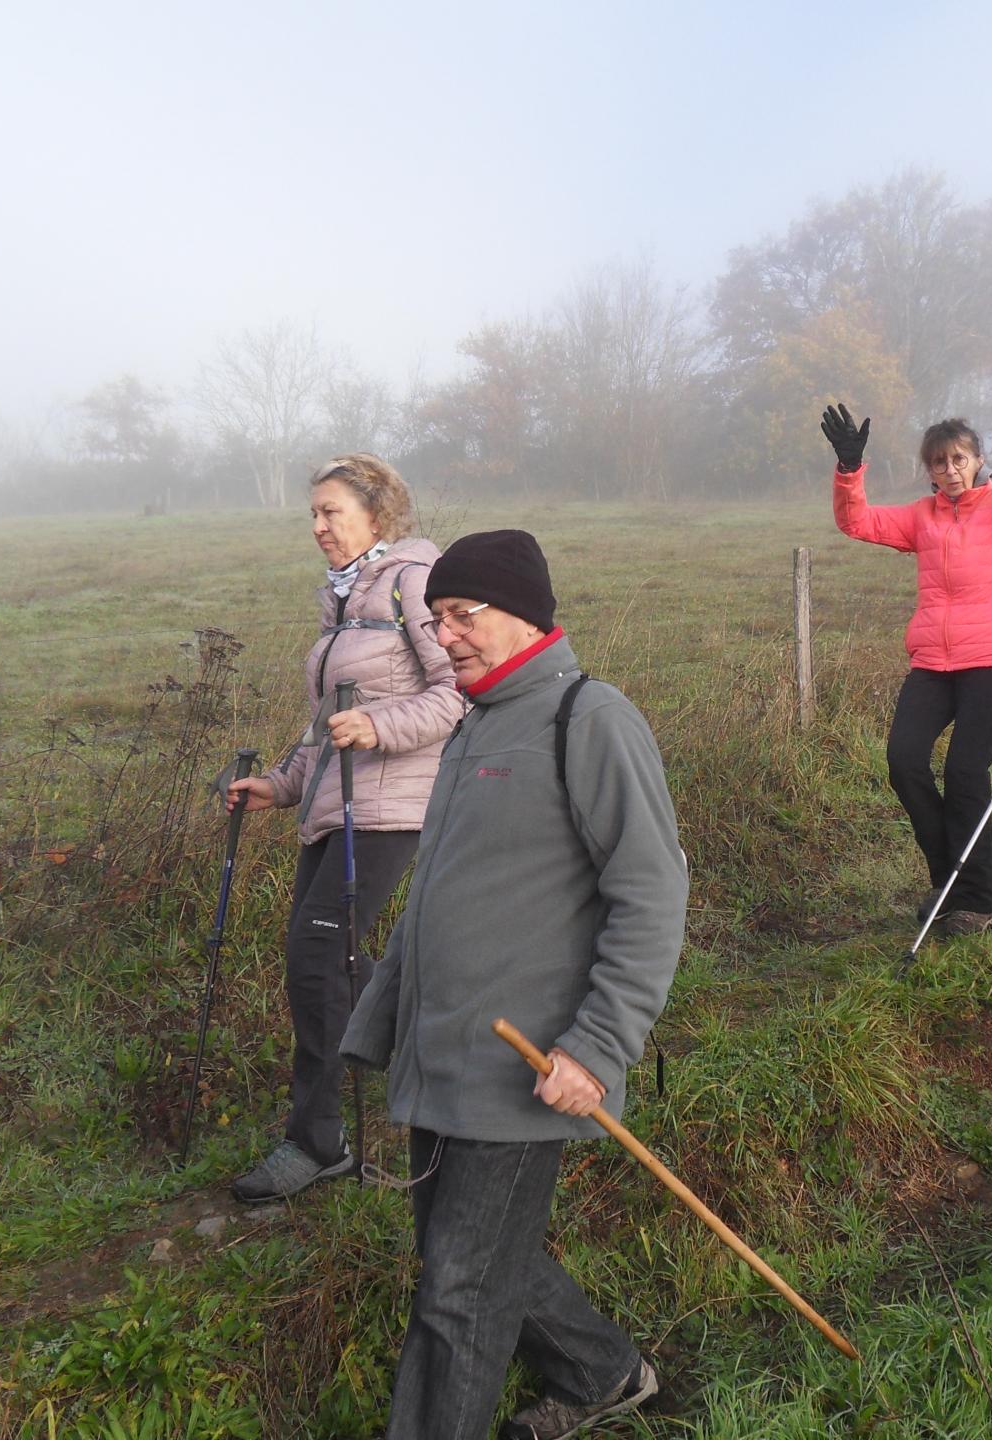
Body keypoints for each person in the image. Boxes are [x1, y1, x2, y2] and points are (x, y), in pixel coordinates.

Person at [339, 529, 688, 1440]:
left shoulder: (590, 718)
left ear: (525, 614)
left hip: (527, 1066)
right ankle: (606, 1373)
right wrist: (382, 1020)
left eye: (464, 614)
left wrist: (599, 1046)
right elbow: (437, 901)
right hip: (442, 1054)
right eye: (437, 616)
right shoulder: (473, 723)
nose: (445, 634)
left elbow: (650, 894)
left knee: (458, 1290)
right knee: (465, 1255)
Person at [224, 454, 463, 1202]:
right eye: (313, 515)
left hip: (392, 805)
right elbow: (328, 723)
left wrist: (378, 725)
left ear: (376, 515)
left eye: (330, 512)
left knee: (317, 956)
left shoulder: (411, 582)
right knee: (332, 962)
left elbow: (459, 690)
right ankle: (433, 1070)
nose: (317, 527)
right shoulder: (343, 598)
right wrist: (282, 783)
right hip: (339, 804)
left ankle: (317, 1140)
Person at [824, 380, 992, 936]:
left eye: (959, 460)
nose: (949, 471)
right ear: (930, 470)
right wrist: (850, 469)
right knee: (904, 760)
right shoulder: (922, 517)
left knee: (966, 772)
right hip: (933, 661)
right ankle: (949, 880)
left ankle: (975, 902)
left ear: (978, 460)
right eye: (938, 464)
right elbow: (856, 522)